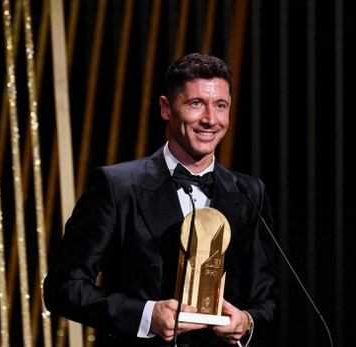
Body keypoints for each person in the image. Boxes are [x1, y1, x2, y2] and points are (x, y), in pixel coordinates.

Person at [43, 52, 280, 346]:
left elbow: (267, 298)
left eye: (221, 106)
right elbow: (62, 288)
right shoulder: (116, 186)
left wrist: (247, 321)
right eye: (196, 104)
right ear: (166, 108)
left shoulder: (249, 192)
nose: (210, 119)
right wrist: (146, 315)